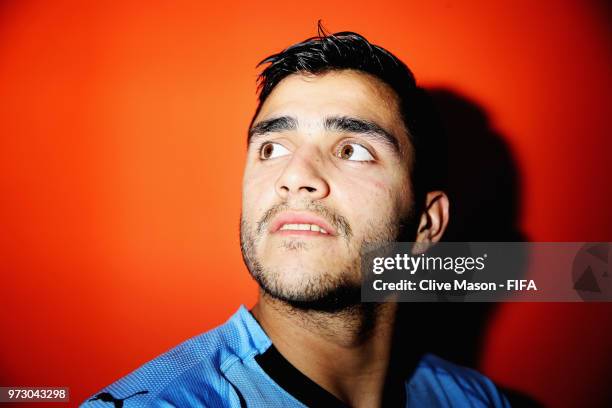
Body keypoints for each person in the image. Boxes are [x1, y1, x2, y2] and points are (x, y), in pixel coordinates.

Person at [84, 25, 510, 407]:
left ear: (426, 224)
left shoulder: (475, 400)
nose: (295, 176)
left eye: (352, 150)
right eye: (272, 148)